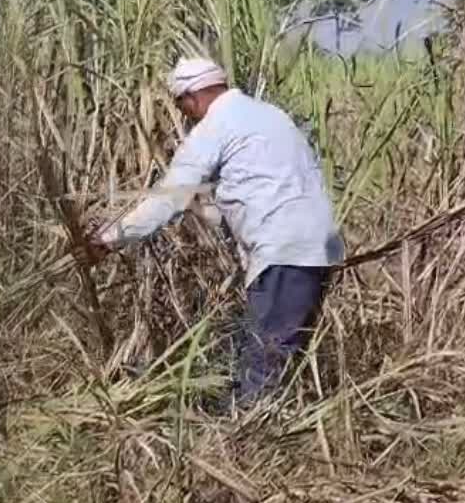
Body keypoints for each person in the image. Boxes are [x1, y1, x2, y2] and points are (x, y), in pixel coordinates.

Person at [80, 57, 344, 408]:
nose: (185, 115)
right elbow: (258, 192)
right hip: (318, 250)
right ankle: (262, 433)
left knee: (263, 366)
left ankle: (249, 450)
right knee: (272, 354)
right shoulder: (270, 116)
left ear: (192, 97)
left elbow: (168, 197)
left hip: (281, 252)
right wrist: (201, 209)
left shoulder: (215, 126)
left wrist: (108, 239)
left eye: (181, 105)